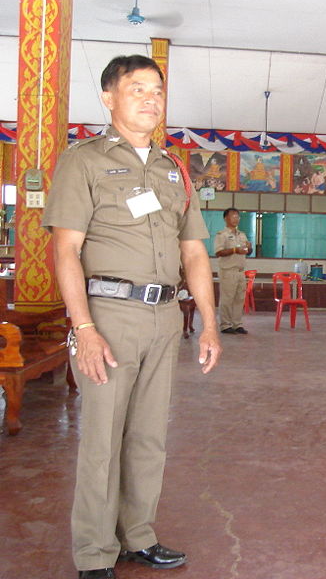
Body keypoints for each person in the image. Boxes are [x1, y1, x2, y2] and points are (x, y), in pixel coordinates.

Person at [42, 54, 222, 579]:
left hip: (166, 316)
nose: (150, 99)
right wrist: (85, 329)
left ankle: (137, 536)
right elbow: (66, 251)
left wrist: (208, 323)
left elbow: (194, 252)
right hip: (109, 315)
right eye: (137, 88)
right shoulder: (84, 161)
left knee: (148, 436)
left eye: (158, 91)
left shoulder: (173, 168)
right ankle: (94, 553)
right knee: (102, 437)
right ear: (108, 97)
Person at [214, 207, 252, 334]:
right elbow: (218, 252)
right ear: (226, 218)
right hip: (228, 271)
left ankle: (237, 324)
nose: (236, 219)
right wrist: (235, 250)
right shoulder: (222, 235)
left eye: (238, 216)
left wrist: (250, 248)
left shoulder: (242, 235)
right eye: (233, 216)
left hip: (240, 271)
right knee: (227, 298)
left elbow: (247, 252)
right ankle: (225, 325)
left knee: (239, 298)